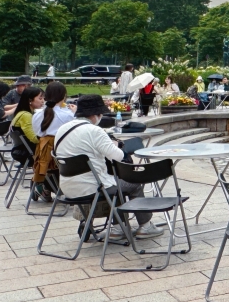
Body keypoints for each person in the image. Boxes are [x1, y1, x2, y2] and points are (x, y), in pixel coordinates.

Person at [55, 95, 163, 240]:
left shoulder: (63, 129)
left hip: (67, 188)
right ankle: (145, 225)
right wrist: (115, 145)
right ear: (95, 115)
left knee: (115, 183)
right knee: (133, 184)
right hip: (92, 187)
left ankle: (118, 227)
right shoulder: (94, 131)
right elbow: (118, 156)